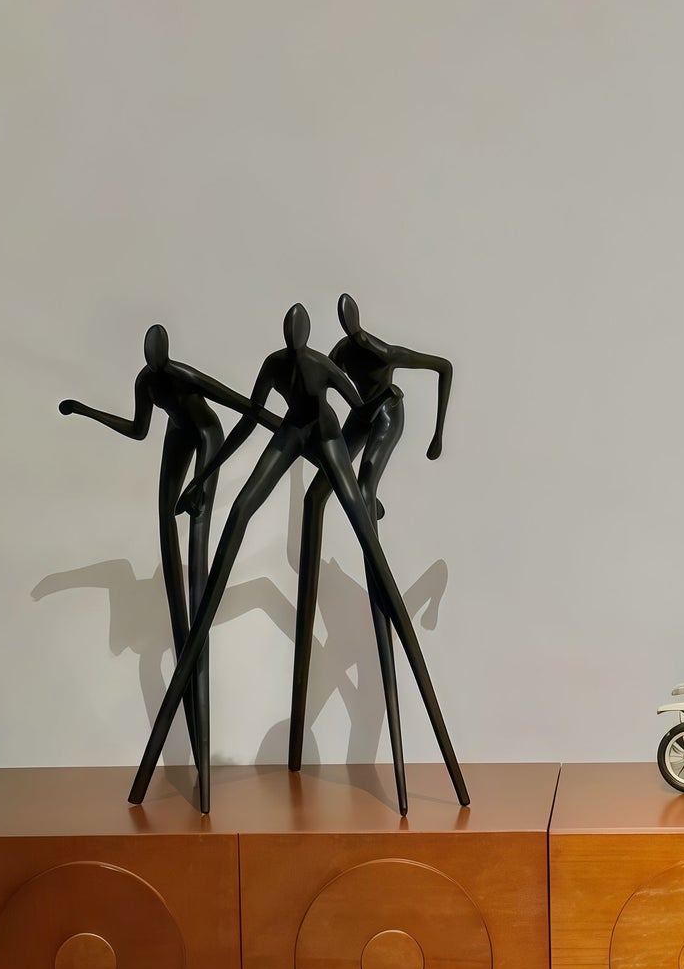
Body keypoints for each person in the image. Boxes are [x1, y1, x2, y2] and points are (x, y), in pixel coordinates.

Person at [129, 306, 469, 811]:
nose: (293, 337)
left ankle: (421, 754)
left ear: (306, 334)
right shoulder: (281, 364)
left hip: (331, 435)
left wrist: (365, 474)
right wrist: (205, 478)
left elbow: (364, 404)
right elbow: (247, 422)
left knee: (361, 530)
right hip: (293, 432)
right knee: (242, 511)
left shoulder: (341, 360)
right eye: (289, 331)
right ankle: (198, 645)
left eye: (297, 331)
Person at [60, 327, 275, 809]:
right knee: (164, 518)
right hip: (179, 435)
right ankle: (196, 743)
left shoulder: (183, 375)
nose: (153, 360)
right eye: (149, 356)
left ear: (167, 353)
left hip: (206, 438)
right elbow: (138, 430)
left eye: (157, 353)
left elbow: (244, 407)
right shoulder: (148, 382)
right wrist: (86, 410)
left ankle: (203, 756)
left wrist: (207, 476)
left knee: (197, 537)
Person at [282, 297, 456, 805]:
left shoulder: (383, 352)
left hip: (386, 415)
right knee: (319, 494)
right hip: (359, 415)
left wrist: (437, 434)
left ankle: (371, 508)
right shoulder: (336, 352)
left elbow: (444, 367)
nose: (351, 336)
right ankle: (364, 505)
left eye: (353, 330)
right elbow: (325, 397)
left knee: (360, 489)